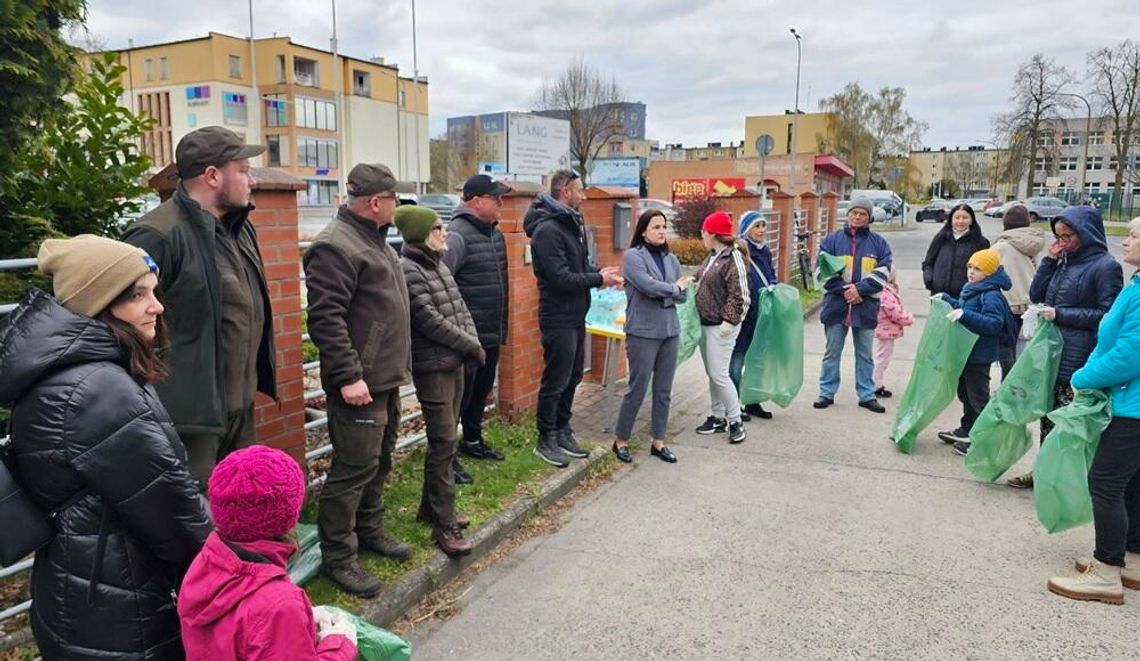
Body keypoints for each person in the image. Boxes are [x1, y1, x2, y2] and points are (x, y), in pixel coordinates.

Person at [0, 235, 211, 659]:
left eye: (154, 291)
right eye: (137, 295)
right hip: (122, 605)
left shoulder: (74, 373)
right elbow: (174, 516)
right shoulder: (98, 392)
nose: (158, 306)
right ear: (99, 303)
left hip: (79, 586)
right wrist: (236, 575)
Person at [122, 126, 276, 490]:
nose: (251, 180)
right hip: (189, 421)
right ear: (212, 176)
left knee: (242, 508)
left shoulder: (240, 228)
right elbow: (121, 326)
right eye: (243, 169)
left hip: (240, 408)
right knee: (196, 523)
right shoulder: (156, 235)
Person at [304, 163, 413, 597]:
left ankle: (369, 530)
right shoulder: (335, 245)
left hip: (382, 378)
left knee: (379, 460)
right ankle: (339, 556)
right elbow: (326, 319)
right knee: (352, 470)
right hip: (359, 383)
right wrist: (349, 375)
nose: (398, 207)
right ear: (375, 202)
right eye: (394, 200)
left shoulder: (373, 239)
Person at [178, 446, 358, 659]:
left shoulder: (205, 562)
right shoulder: (279, 606)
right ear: (288, 515)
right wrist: (339, 645)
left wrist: (302, 621)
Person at [1046, 216, 1140, 604]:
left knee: (1104, 482)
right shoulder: (1135, 282)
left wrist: (1083, 377)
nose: (1127, 240)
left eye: (1135, 234)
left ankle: (1105, 572)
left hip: (1132, 406)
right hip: (1129, 400)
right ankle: (1130, 558)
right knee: (1132, 484)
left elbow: (1131, 353)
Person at [1007, 205, 1124, 489]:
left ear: (1087, 233)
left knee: (1071, 425)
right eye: (1058, 236)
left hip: (1080, 358)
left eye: (1068, 236)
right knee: (1049, 419)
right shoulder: (1063, 260)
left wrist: (1062, 314)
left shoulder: (1106, 266)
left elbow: (1107, 316)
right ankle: (1045, 474)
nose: (1062, 242)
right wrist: (1048, 261)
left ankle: (1070, 483)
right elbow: (1036, 294)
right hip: (1052, 355)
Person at [396, 205, 482, 556]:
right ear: (420, 235)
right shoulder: (410, 270)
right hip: (433, 367)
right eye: (436, 229)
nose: (444, 234)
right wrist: (470, 345)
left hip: (455, 362)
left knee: (446, 438)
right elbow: (429, 320)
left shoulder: (439, 266)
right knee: (444, 440)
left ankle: (430, 508)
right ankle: (443, 526)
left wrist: (471, 341)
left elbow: (460, 310)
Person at [524, 169, 623, 467]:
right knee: (556, 380)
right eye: (580, 191)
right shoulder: (547, 230)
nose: (584, 196)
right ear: (565, 192)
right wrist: (597, 279)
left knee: (573, 376)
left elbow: (577, 268)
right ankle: (546, 438)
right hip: (558, 316)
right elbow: (559, 278)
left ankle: (563, 429)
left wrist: (598, 274)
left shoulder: (569, 223)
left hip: (576, 314)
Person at [444, 174, 512, 486]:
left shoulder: (493, 234)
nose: (501, 204)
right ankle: (448, 460)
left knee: (479, 393)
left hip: (491, 330)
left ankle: (472, 440)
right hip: (467, 336)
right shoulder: (457, 235)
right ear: (476, 201)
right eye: (496, 198)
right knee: (459, 398)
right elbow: (442, 283)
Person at [611, 209, 690, 464]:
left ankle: (659, 442)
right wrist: (672, 289)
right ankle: (621, 440)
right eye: (656, 227)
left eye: (663, 227)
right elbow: (646, 286)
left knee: (664, 390)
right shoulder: (633, 257)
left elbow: (683, 296)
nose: (661, 231)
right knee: (637, 387)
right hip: (643, 332)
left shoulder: (671, 259)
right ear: (643, 230)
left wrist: (667, 291)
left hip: (669, 331)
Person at [815, 196, 893, 413]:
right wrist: (846, 291)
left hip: (865, 307)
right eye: (854, 213)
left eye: (863, 214)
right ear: (848, 214)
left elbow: (884, 272)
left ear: (869, 218)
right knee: (832, 352)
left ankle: (867, 394)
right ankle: (826, 392)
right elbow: (822, 272)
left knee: (865, 354)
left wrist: (860, 290)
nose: (857, 217)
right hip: (836, 307)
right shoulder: (831, 241)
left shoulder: (879, 243)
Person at [935, 248, 1016, 454]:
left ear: (989, 273)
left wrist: (963, 315)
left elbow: (993, 324)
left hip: (979, 355)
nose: (971, 272)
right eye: (970, 267)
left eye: (978, 269)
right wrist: (947, 299)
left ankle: (982, 440)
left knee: (978, 397)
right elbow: (966, 310)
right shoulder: (973, 288)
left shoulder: (991, 296)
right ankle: (967, 428)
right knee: (965, 393)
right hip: (967, 352)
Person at [693, 211, 750, 444]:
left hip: (722, 327)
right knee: (713, 374)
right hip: (707, 324)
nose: (702, 236)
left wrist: (730, 320)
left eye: (704, 231)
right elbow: (700, 278)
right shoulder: (713, 256)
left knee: (719, 374)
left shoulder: (732, 257)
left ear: (712, 233)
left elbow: (741, 294)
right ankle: (717, 416)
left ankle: (735, 420)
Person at [729, 210, 777, 421]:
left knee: (757, 360)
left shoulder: (765, 251)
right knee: (737, 360)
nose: (761, 230)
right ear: (746, 230)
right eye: (756, 226)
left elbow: (771, 275)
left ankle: (752, 401)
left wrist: (774, 286)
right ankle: (734, 405)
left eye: (763, 226)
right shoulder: (739, 252)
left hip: (762, 315)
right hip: (744, 315)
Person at [991, 204, 1045, 378]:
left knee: (1006, 352)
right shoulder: (1033, 245)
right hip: (1029, 304)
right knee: (1022, 351)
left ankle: (1007, 389)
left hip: (1007, 303)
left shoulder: (1002, 246)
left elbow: (988, 270)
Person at [921, 202, 990, 299]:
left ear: (971, 220)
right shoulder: (941, 238)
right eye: (957, 217)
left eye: (965, 217)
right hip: (939, 296)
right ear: (951, 220)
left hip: (967, 298)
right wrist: (929, 280)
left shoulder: (980, 242)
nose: (960, 221)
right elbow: (928, 263)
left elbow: (986, 270)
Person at [872, 267, 914, 399]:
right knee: (883, 358)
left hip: (885, 329)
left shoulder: (885, 291)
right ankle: (876, 384)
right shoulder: (886, 293)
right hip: (886, 330)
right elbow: (895, 312)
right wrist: (908, 318)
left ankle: (875, 382)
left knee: (883, 357)